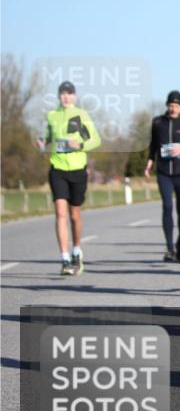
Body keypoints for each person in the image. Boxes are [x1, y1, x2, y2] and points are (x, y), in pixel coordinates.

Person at [38, 81, 102, 276]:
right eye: (62, 94)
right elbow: (47, 137)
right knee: (60, 214)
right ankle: (64, 258)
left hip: (77, 169)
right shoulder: (52, 116)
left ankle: (76, 250)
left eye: (69, 94)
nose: (66, 97)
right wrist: (42, 142)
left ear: (74, 96)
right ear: (59, 96)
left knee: (74, 216)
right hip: (57, 168)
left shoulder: (81, 115)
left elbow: (96, 140)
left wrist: (79, 144)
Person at [144, 91, 180, 263]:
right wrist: (150, 161)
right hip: (164, 171)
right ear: (167, 105)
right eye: (171, 105)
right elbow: (153, 144)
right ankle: (169, 247)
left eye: (177, 106)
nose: (173, 109)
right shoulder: (158, 122)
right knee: (167, 206)